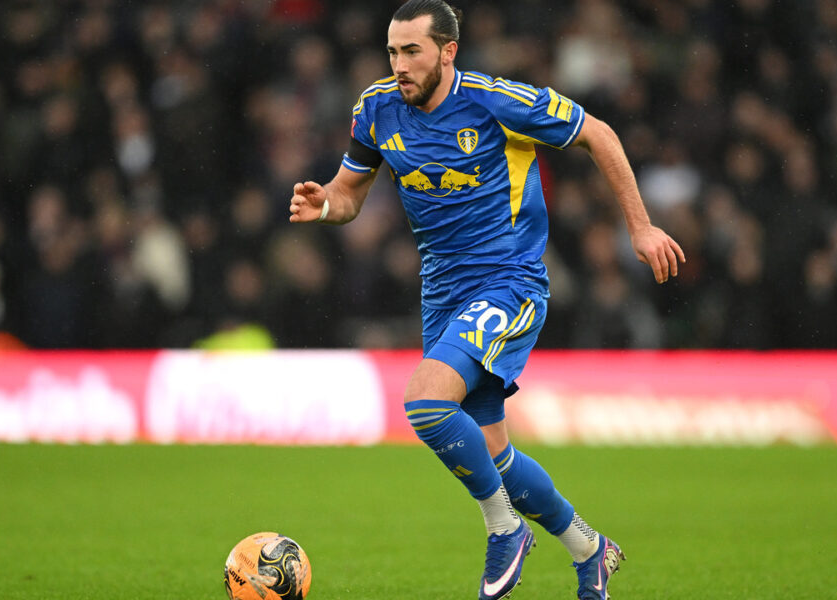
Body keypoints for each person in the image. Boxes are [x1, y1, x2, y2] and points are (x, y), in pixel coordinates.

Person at [289, 1, 685, 598]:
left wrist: (640, 227)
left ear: (448, 51)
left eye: (412, 51)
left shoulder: (497, 101)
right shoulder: (375, 109)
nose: (399, 64)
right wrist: (323, 206)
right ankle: (589, 548)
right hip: (442, 293)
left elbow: (598, 133)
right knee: (494, 453)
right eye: (393, 52)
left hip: (509, 282)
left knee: (425, 403)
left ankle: (505, 529)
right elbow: (349, 194)